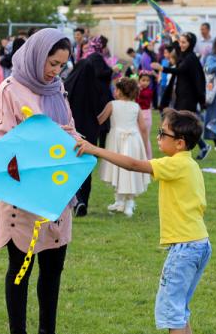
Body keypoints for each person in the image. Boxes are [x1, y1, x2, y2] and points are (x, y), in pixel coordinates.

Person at [74, 109, 211, 334]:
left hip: (185, 248)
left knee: (170, 306)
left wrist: (94, 150)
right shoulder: (190, 164)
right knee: (179, 304)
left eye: (163, 133)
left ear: (180, 142)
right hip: (199, 243)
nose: (158, 137)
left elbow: (134, 165)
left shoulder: (177, 164)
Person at [0, 28, 75, 334]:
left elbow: (69, 128)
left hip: (56, 190)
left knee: (53, 266)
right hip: (22, 192)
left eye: (61, 65)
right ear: (37, 55)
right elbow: (3, 141)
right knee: (21, 268)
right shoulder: (8, 91)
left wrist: (72, 145)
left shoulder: (57, 89)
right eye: (52, 63)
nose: (55, 71)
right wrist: (44, 144)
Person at [64, 35, 113, 216]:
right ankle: (83, 200)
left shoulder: (70, 86)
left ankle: (74, 199)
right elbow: (105, 106)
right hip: (90, 129)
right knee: (85, 165)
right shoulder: (97, 87)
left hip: (72, 129)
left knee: (70, 164)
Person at [97, 77, 150, 217]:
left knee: (118, 168)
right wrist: (145, 146)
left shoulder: (112, 104)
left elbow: (100, 120)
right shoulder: (136, 106)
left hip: (117, 139)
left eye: (116, 89)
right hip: (134, 140)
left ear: (119, 91)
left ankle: (128, 203)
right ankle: (121, 202)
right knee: (129, 171)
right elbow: (143, 128)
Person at [159, 31, 211, 160]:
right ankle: (198, 147)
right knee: (182, 125)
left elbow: (180, 70)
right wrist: (175, 39)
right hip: (181, 97)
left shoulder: (190, 58)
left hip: (189, 98)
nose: (181, 45)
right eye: (180, 42)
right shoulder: (184, 56)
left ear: (190, 44)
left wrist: (162, 69)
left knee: (184, 125)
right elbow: (177, 49)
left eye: (184, 42)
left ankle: (201, 147)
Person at [136, 71, 154, 158]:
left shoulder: (148, 91)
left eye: (147, 81)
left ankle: (148, 157)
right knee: (138, 137)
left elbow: (142, 97)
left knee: (145, 137)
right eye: (143, 80)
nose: (145, 82)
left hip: (146, 115)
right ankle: (140, 156)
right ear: (139, 81)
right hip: (139, 114)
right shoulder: (138, 90)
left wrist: (138, 90)